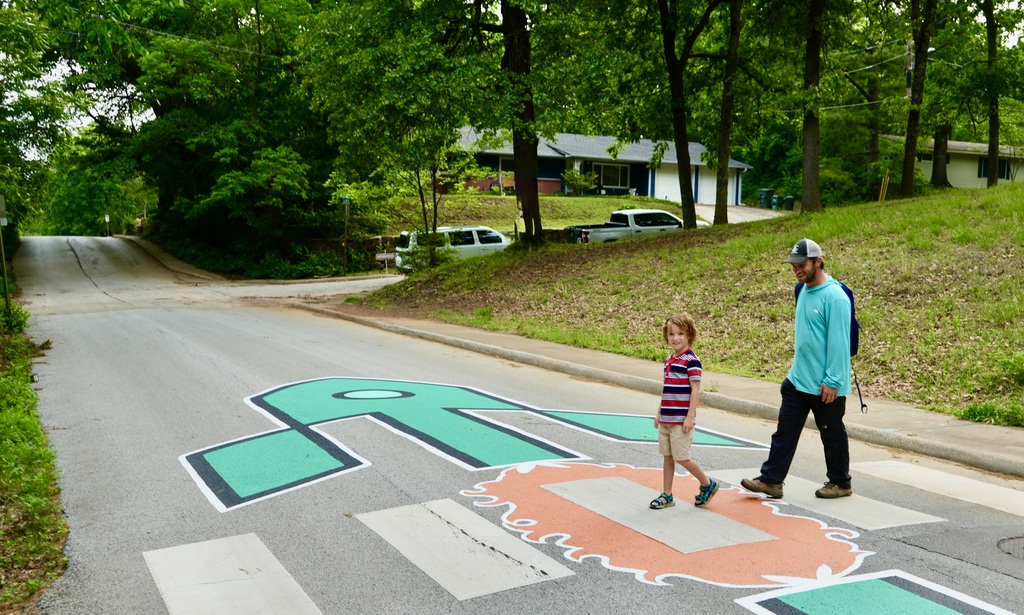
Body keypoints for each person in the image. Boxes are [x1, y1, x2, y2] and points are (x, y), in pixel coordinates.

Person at [741, 239, 854, 500]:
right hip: (798, 379)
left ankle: (841, 482)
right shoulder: (802, 290)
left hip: (826, 383)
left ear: (819, 261)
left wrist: (834, 380)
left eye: (802, 264)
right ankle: (772, 480)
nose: (797, 270)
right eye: (794, 265)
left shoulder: (835, 297)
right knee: (785, 431)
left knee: (831, 433)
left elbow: (839, 343)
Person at [649, 313, 719, 509]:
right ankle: (667, 494)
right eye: (671, 334)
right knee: (668, 457)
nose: (675, 338)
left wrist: (690, 417)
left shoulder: (692, 361)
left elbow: (695, 390)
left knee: (682, 457)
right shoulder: (669, 360)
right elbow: (667, 390)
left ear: (689, 335)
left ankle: (707, 483)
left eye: (680, 333)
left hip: (681, 420)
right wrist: (659, 413)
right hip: (666, 418)